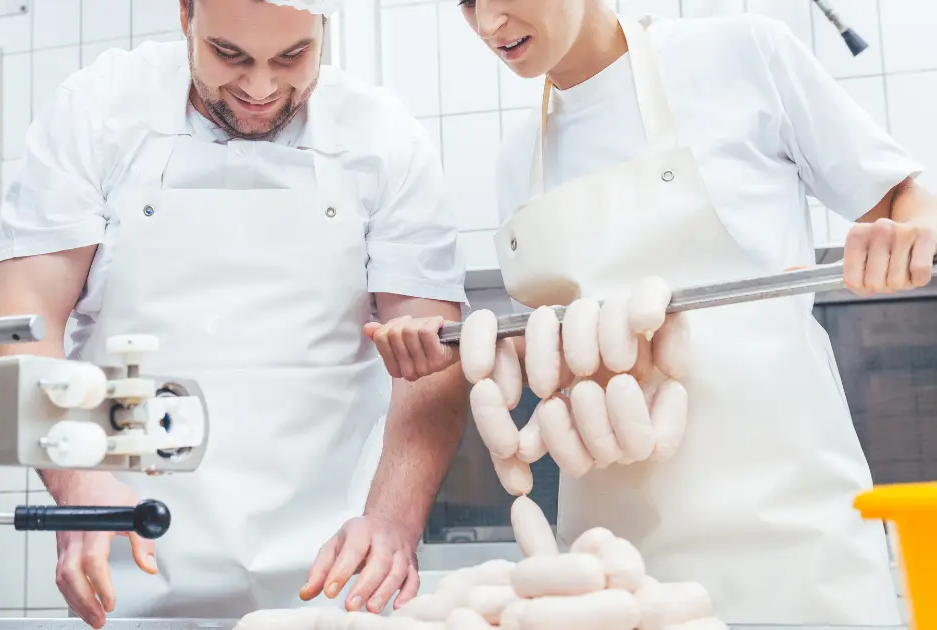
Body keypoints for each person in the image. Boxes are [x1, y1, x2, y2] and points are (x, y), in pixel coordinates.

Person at [375, 0, 937, 625]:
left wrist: (906, 236)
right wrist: (445, 346)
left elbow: (904, 199)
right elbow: (544, 359)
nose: (487, 25)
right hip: (614, 567)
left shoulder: (739, 57)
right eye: (467, 4)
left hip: (793, 539)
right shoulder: (517, 163)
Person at [0, 0, 470, 626]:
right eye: (230, 55)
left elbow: (431, 360)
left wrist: (394, 521)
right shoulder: (98, 111)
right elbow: (22, 322)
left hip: (336, 581)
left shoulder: (384, 139)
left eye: (292, 56)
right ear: (186, 16)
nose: (261, 88)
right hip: (133, 562)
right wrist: (76, 482)